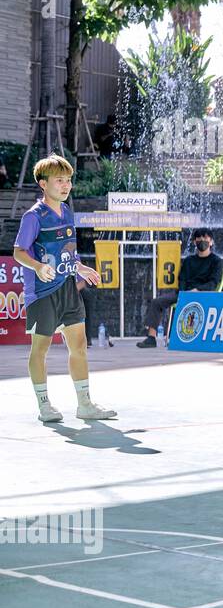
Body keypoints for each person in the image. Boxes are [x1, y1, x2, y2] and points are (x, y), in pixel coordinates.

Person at [10, 155, 116, 423]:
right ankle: (44, 405)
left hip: (68, 288)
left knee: (79, 345)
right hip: (43, 292)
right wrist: (36, 266)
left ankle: (85, 405)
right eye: (59, 180)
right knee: (41, 349)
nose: (66, 185)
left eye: (68, 180)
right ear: (43, 184)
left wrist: (81, 268)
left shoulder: (68, 212)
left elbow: (69, 251)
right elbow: (19, 252)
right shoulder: (33, 217)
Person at [137, 228, 223, 347]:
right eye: (199, 238)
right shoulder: (189, 260)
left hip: (204, 294)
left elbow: (214, 283)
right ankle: (151, 338)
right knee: (156, 302)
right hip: (184, 293)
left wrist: (198, 290)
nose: (202, 240)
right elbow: (182, 279)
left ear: (211, 241)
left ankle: (178, 338)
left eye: (205, 238)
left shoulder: (216, 261)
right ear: (194, 242)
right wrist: (184, 293)